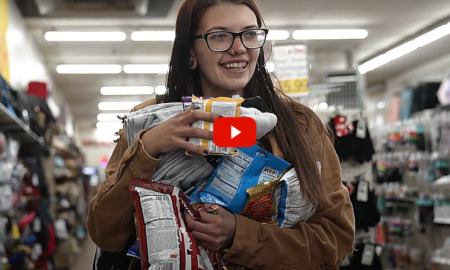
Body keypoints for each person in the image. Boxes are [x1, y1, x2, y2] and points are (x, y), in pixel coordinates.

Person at [87, 0, 355, 269]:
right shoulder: (150, 120)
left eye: (250, 34)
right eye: (219, 36)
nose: (238, 48)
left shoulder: (299, 125)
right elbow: (106, 233)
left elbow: (334, 240)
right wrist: (149, 149)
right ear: (190, 52)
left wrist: (238, 235)